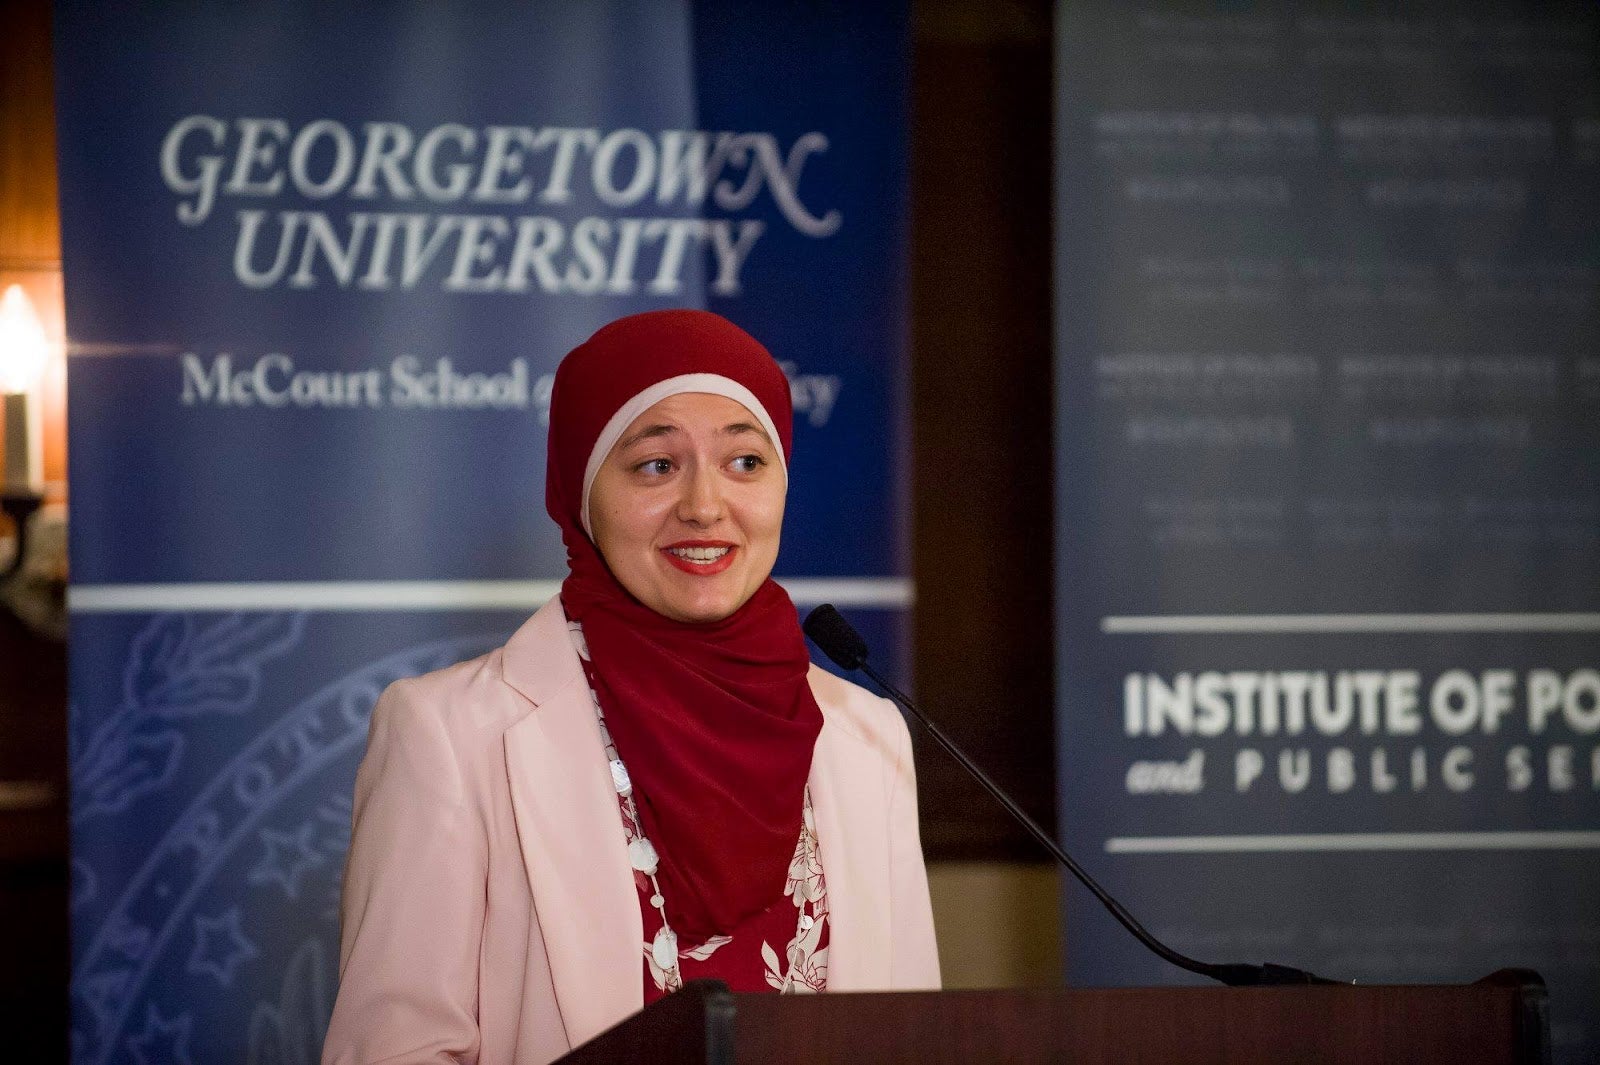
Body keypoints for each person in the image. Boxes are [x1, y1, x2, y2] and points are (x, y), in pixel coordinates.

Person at [322, 310, 940, 1065]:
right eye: (656, 465)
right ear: (581, 495)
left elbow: (911, 1038)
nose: (706, 506)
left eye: (745, 462)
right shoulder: (449, 734)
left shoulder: (868, 734)